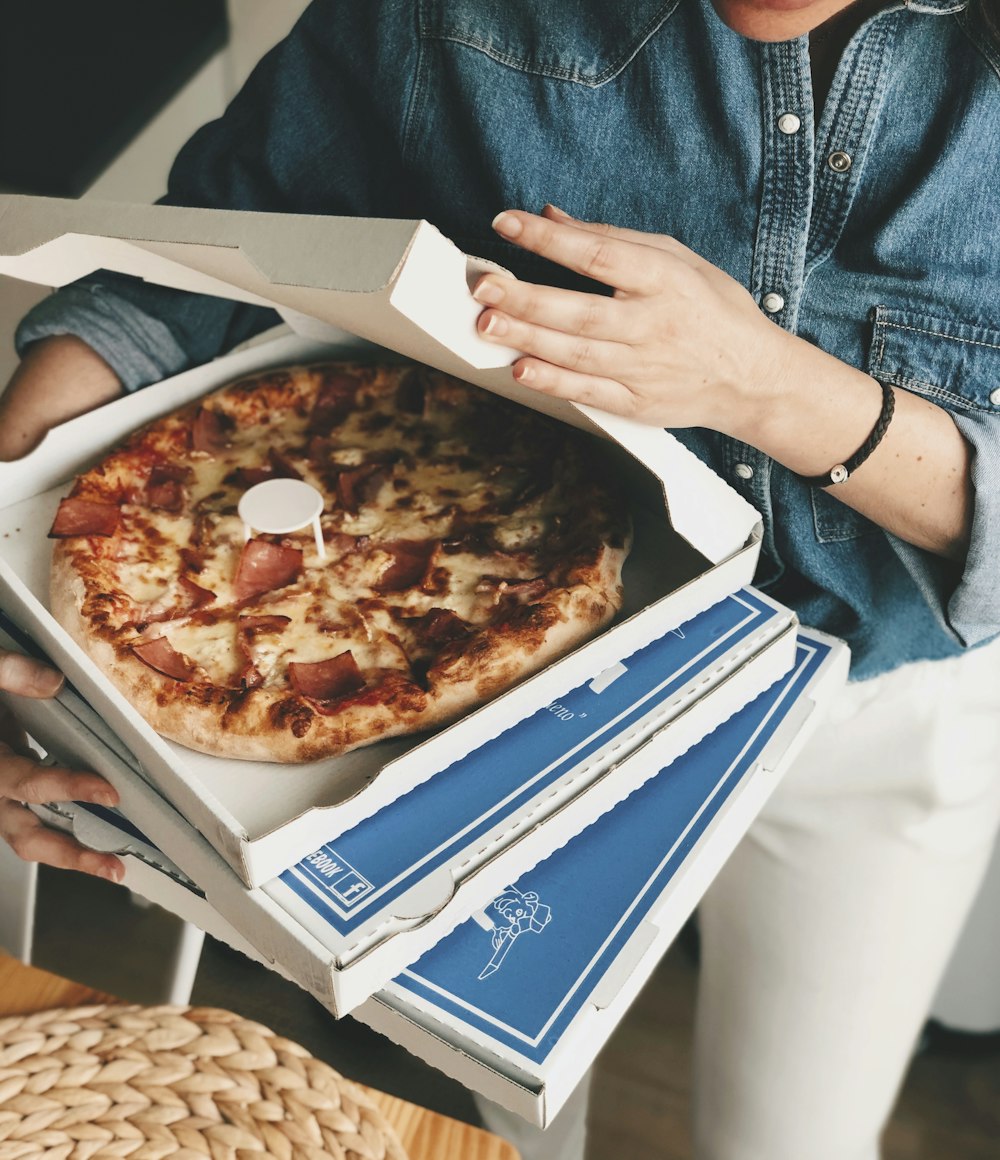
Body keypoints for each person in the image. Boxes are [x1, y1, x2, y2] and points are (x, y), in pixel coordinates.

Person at [1, 0, 999, 1156]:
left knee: (796, 1138)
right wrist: (24, 484)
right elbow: (244, 217)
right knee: (500, 1113)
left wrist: (768, 388)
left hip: (878, 705)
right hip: (489, 707)